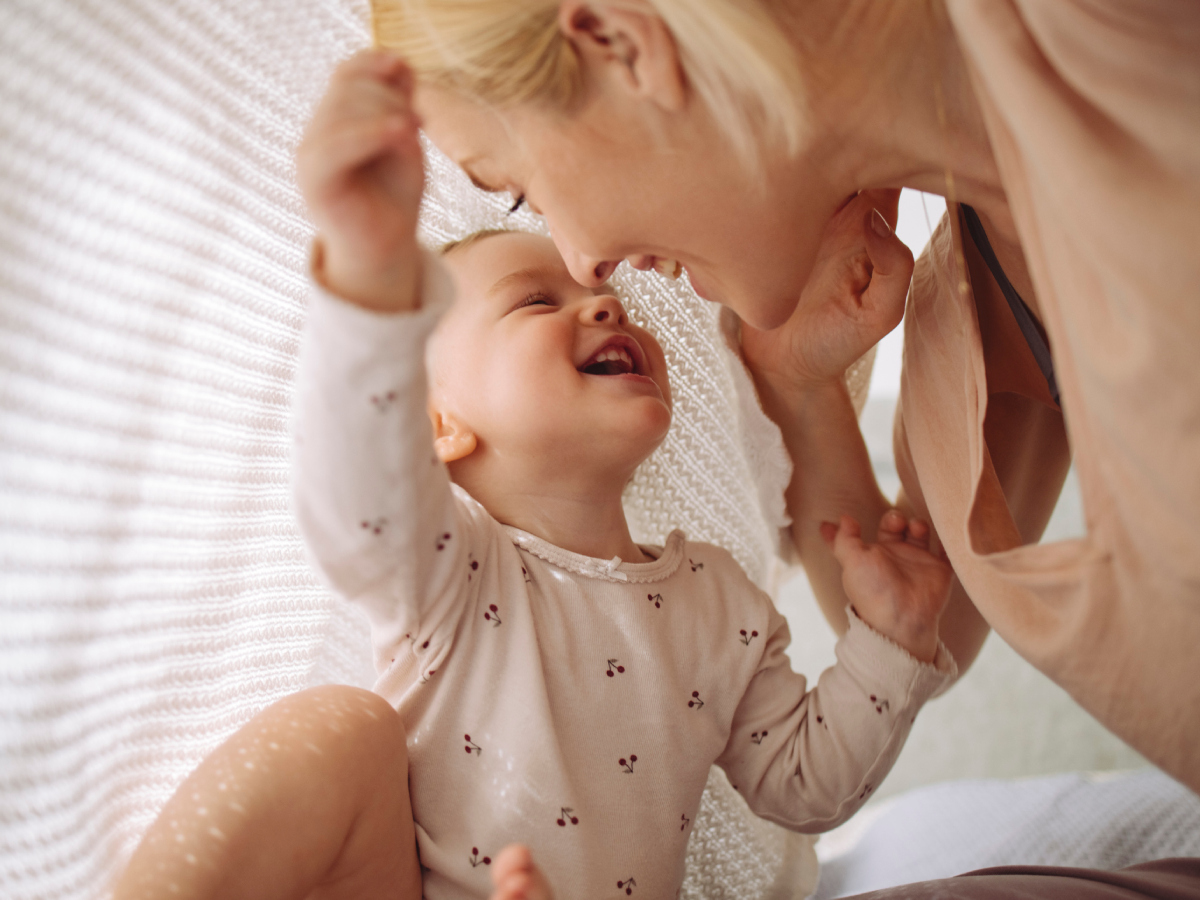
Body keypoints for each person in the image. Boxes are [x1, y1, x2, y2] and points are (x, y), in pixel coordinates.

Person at [112, 53, 957, 900]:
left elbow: (803, 786)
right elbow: (355, 499)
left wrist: (891, 643)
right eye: (533, 303)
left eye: (610, 306)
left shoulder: (718, 600)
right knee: (336, 731)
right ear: (437, 425)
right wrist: (370, 278)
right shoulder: (451, 567)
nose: (602, 304)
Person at [373, 0, 1200, 796]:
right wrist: (796, 387)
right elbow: (931, 622)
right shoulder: (975, 295)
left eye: (523, 190)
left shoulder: (1121, 40)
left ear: (623, 46)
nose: (586, 264)